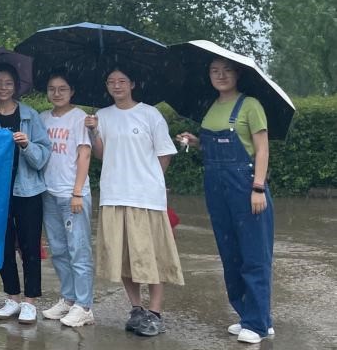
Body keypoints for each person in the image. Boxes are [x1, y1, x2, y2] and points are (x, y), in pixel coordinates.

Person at [175, 56, 274, 345]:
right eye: (214, 71)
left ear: (237, 74)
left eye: (226, 70)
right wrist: (196, 142)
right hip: (216, 188)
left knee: (254, 255)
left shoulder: (251, 105)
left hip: (246, 186)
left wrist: (258, 188)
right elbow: (214, 144)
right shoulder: (211, 107)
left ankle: (257, 324)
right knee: (230, 254)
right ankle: (251, 315)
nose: (220, 75)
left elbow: (262, 149)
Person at [86, 67, 183, 338]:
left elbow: (165, 153)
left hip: (145, 197)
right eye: (111, 81)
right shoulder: (102, 116)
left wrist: (151, 181)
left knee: (151, 255)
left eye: (122, 81)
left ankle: (155, 312)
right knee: (124, 255)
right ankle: (136, 308)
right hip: (114, 193)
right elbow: (101, 154)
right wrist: (93, 132)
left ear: (132, 84)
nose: (116, 86)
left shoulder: (150, 114)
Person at [0, 62, 51, 325]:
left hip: (28, 190)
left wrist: (27, 145)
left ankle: (30, 301)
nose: (3, 88)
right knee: (4, 245)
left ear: (16, 86)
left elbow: (43, 157)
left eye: (8, 83)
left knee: (30, 246)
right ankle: (12, 297)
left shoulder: (30, 115)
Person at [38, 72, 94, 327]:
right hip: (48, 192)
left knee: (78, 250)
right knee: (59, 250)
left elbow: (84, 154)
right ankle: (68, 299)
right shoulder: (42, 118)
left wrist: (77, 192)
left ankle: (85, 306)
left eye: (62, 88)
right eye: (52, 88)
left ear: (72, 91)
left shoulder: (81, 117)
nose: (57, 93)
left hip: (72, 194)